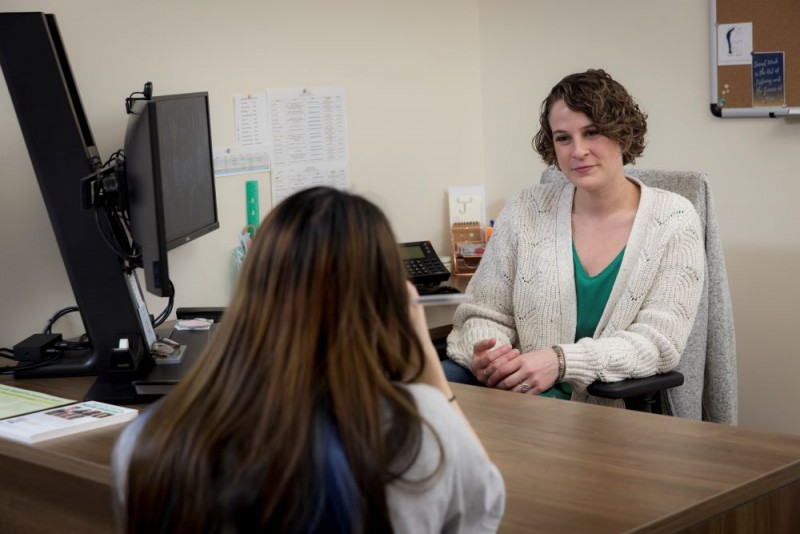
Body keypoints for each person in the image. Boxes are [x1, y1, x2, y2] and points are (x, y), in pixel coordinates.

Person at [111, 187, 505, 533]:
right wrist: (424, 362)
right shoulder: (422, 434)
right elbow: (487, 504)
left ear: (251, 293)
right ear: (386, 305)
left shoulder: (147, 442)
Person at [444, 69, 706, 407]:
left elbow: (658, 343)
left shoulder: (674, 218)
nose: (577, 151)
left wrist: (561, 361)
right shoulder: (526, 209)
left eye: (592, 133)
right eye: (563, 138)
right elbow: (484, 313)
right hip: (517, 405)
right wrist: (488, 355)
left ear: (622, 135)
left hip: (608, 419)